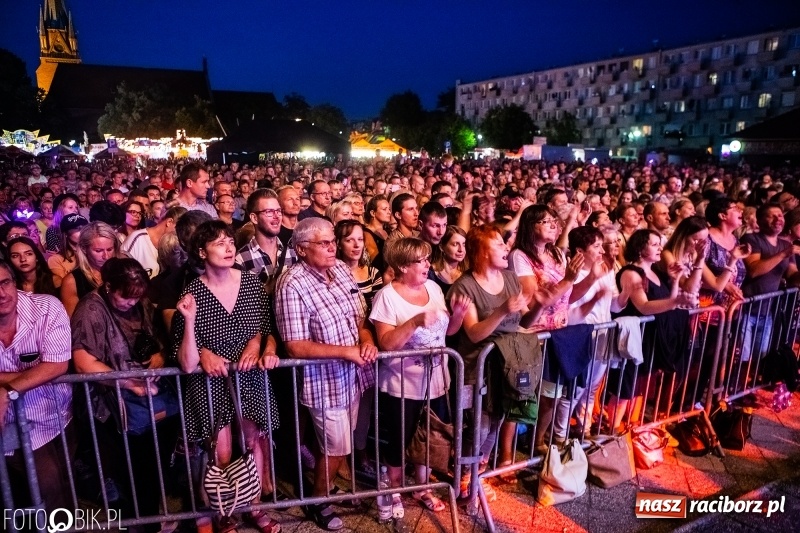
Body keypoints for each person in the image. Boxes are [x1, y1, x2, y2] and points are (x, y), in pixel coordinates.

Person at [173, 220, 281, 533]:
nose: (229, 247)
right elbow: (184, 361)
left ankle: (254, 506)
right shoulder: (192, 291)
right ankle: (223, 511)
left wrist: (255, 344)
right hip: (211, 382)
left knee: (253, 441)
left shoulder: (251, 283)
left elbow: (264, 326)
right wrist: (199, 340)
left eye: (230, 241)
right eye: (219, 243)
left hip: (247, 375)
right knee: (219, 450)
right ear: (201, 251)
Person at [274, 218, 377, 531]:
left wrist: (367, 340)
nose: (333, 247)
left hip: (354, 377)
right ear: (303, 249)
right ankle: (318, 501)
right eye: (325, 242)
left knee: (334, 445)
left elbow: (361, 318)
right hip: (325, 382)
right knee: (336, 446)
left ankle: (326, 487)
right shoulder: (292, 284)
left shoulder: (342, 270)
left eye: (333, 240)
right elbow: (294, 346)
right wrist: (346, 352)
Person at [71, 258, 177, 531]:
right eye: (125, 298)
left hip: (150, 393)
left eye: (136, 297)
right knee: (134, 470)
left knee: (154, 464)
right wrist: (129, 383)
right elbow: (83, 361)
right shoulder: (91, 310)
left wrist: (159, 357)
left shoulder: (138, 300)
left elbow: (158, 338)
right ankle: (142, 522)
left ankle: (150, 515)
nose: (131, 302)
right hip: (114, 402)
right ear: (108, 287)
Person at [369, 237, 470, 516]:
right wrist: (413, 322)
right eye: (421, 260)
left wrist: (458, 316)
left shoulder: (434, 288)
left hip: (436, 380)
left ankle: (422, 488)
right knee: (399, 439)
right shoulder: (387, 296)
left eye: (427, 259)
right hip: (402, 383)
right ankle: (394, 490)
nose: (427, 264)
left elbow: (446, 332)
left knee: (428, 435)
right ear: (402, 266)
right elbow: (386, 343)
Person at [447, 224, 538, 500]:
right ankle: (463, 478)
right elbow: (474, 333)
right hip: (477, 367)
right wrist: (500, 311)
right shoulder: (465, 286)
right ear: (482, 252)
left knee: (497, 421)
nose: (505, 248)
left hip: (506, 366)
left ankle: (477, 474)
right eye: (498, 244)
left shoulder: (511, 278)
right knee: (478, 426)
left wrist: (541, 305)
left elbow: (524, 319)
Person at [0, 259, 74, 512]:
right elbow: (46, 369)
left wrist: (7, 391)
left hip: (50, 416)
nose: (1, 294)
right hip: (6, 423)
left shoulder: (46, 308)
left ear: (14, 281)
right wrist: (26, 378)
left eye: (5, 283)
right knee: (25, 495)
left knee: (53, 487)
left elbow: (56, 365)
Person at [607, 230, 694, 430]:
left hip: (651, 336)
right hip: (633, 339)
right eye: (654, 244)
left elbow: (667, 300)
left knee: (638, 388)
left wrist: (674, 281)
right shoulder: (631, 273)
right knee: (625, 388)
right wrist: (675, 301)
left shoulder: (656, 271)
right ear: (640, 248)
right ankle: (612, 431)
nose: (660, 249)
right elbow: (644, 307)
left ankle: (627, 427)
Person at [236, 189, 297, 296]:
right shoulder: (241, 260)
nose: (277, 216)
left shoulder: (293, 252)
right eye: (269, 212)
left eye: (278, 211)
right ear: (254, 218)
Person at [60, 222, 125, 317]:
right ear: (84, 249)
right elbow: (74, 322)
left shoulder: (123, 272)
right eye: (98, 251)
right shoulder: (72, 282)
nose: (105, 256)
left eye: (110, 249)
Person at [122, 206, 186, 279]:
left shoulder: (174, 246)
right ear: (169, 222)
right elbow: (121, 270)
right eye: (179, 229)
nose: (181, 234)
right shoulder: (138, 238)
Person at [47, 213, 89, 287]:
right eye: (78, 228)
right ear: (66, 233)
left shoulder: (93, 253)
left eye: (85, 228)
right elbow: (63, 286)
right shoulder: (56, 259)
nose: (82, 231)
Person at [431, 226, 468, 295]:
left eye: (464, 245)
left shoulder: (467, 274)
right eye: (455, 244)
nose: (461, 250)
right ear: (441, 247)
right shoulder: (430, 274)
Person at [363, 195, 391, 265]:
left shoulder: (388, 231)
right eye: (384, 209)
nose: (389, 212)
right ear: (373, 213)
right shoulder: (366, 233)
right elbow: (375, 261)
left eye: (389, 209)